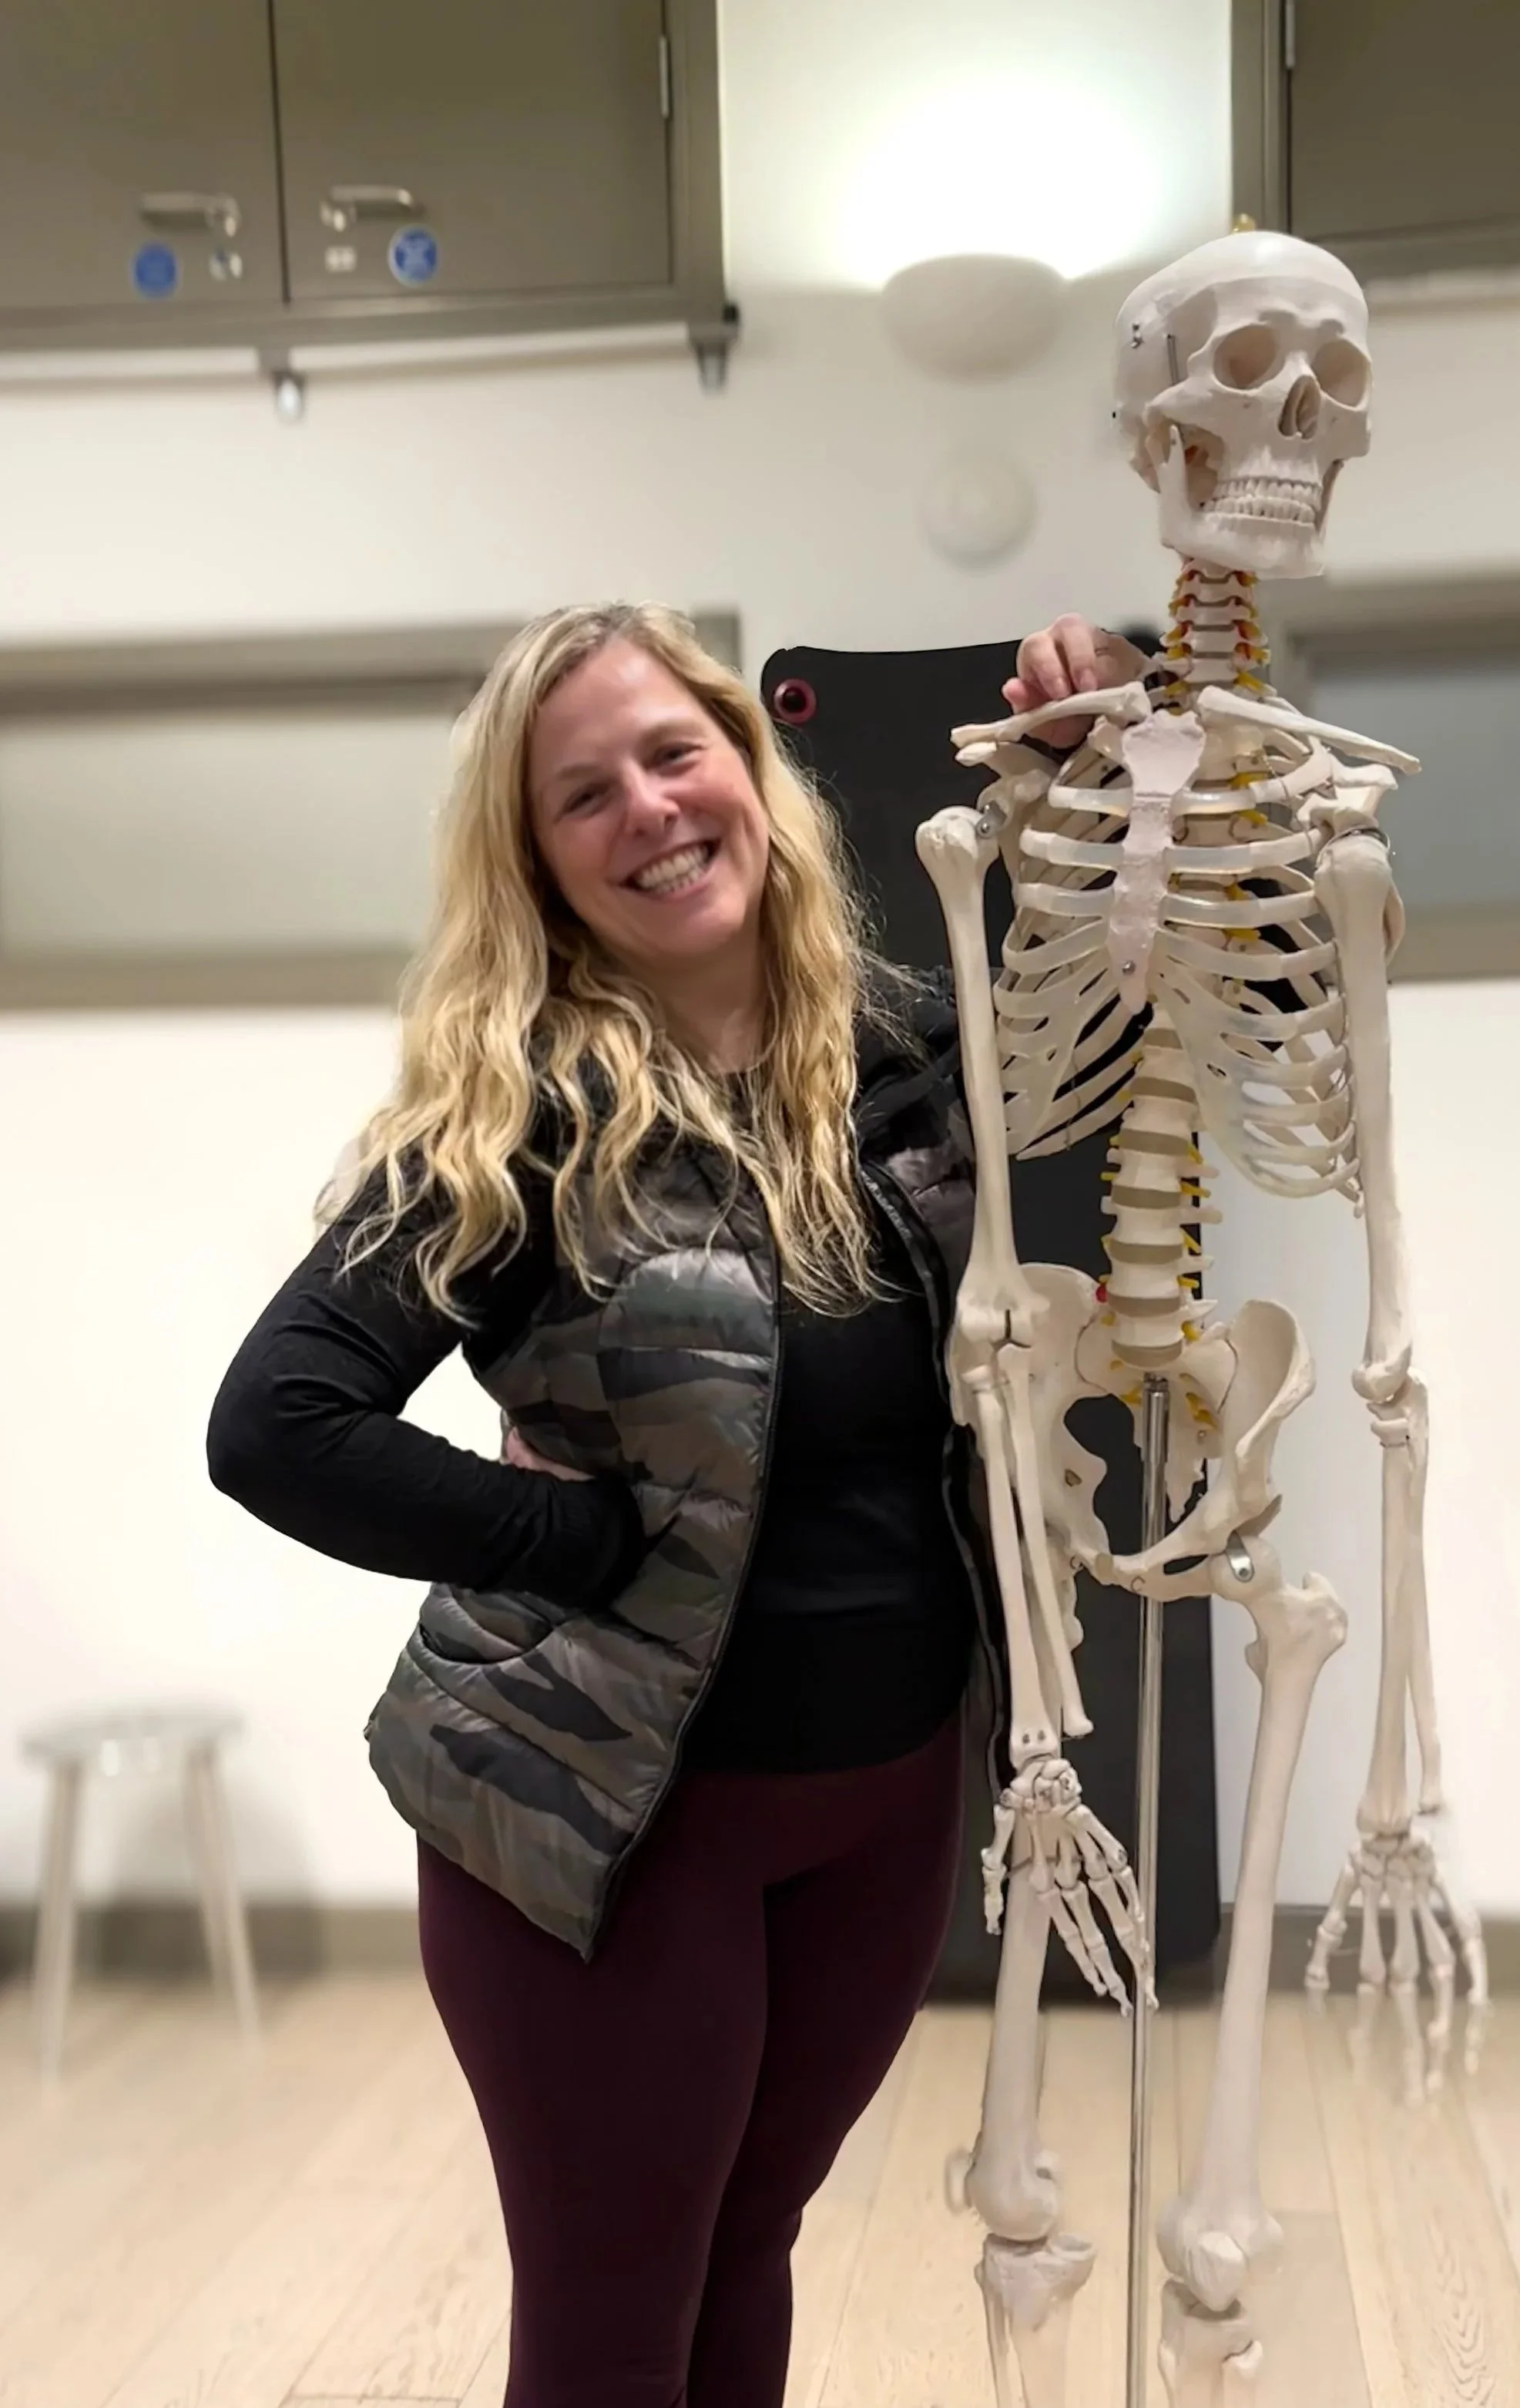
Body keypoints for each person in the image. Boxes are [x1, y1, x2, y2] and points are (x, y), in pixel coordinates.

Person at [206, 602, 1149, 2408]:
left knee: (746, 2251)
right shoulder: (513, 1122)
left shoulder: (900, 1049)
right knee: (613, 2328)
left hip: (878, 1807)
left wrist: (1099, 772)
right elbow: (278, 1420)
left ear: (749, 772)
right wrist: (564, 1539)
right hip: (611, 1830)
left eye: (671, 753)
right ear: (540, 866)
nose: (647, 809)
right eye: (582, 796)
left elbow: (1191, 1001)